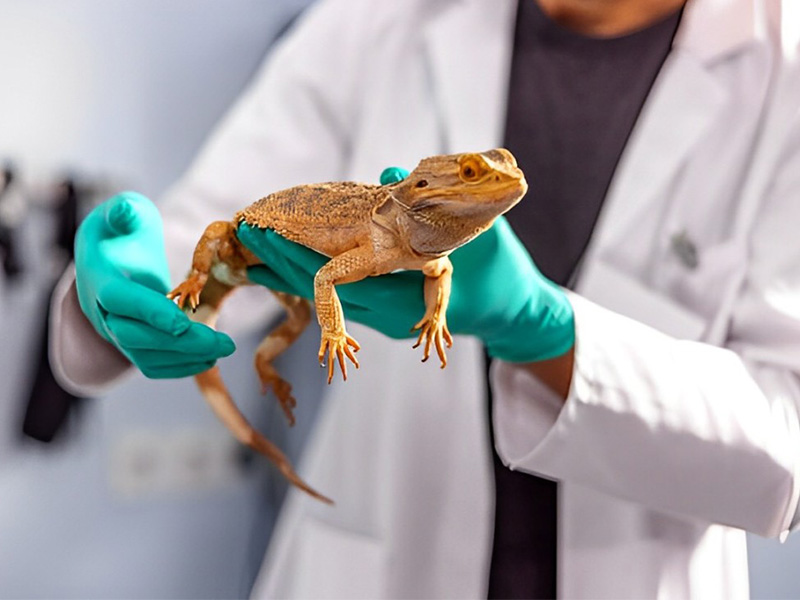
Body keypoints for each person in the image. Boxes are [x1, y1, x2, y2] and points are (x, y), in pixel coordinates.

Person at [52, 0, 800, 597]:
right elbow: (218, 236)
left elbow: (785, 439)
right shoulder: (382, 18)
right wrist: (114, 296)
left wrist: (542, 330)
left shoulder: (782, 67)